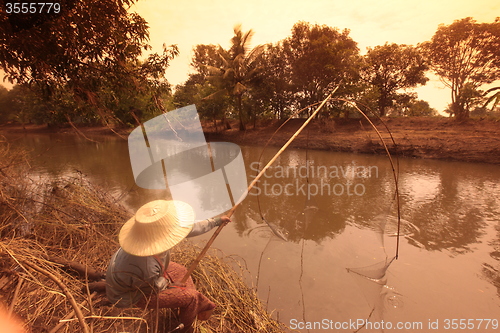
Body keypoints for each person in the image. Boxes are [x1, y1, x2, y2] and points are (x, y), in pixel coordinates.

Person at [106, 200, 231, 332]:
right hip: (131, 295)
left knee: (181, 270)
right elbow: (151, 289)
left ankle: (185, 305)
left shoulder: (146, 235)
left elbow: (187, 228)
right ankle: (186, 327)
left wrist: (216, 221)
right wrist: (169, 285)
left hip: (141, 279)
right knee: (191, 298)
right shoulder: (145, 265)